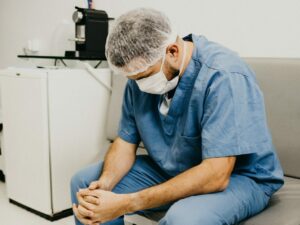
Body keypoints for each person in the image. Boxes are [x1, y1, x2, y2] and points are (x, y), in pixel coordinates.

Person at [70, 8, 284, 225]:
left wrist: (127, 202)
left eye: (143, 77)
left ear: (172, 51)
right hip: (175, 167)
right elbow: (125, 143)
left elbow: (217, 175)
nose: (139, 85)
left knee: (183, 219)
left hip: (240, 177)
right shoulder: (140, 77)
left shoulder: (223, 76)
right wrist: (105, 184)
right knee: (87, 184)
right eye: (133, 79)